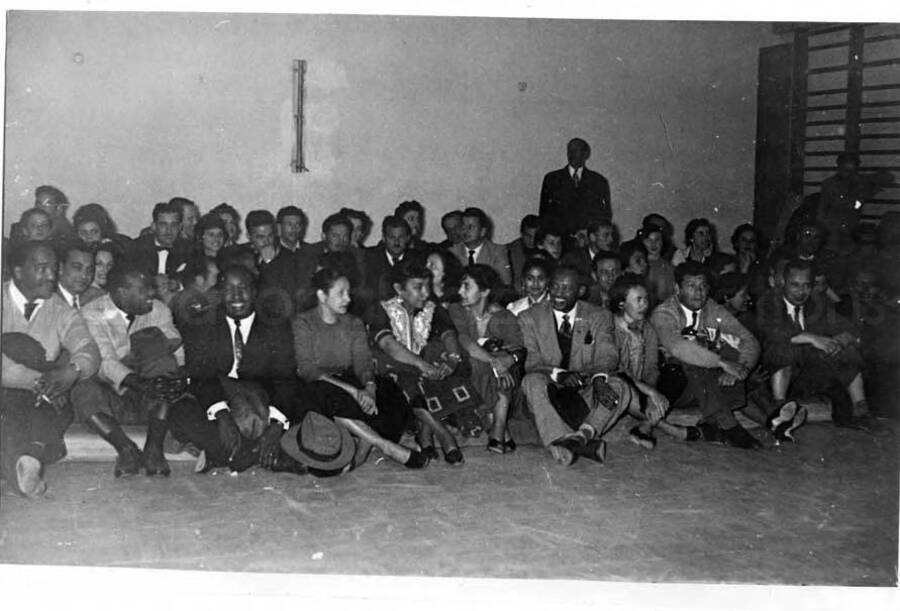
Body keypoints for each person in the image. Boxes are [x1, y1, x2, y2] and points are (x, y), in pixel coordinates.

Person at [168, 265, 306, 474]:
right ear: (220, 293)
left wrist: (276, 427)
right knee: (181, 413)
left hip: (261, 401)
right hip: (218, 393)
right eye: (229, 289)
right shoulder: (203, 324)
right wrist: (222, 416)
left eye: (243, 288)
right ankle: (255, 455)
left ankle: (232, 454)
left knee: (304, 401)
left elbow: (284, 378)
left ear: (254, 292)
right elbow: (201, 375)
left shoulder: (276, 326)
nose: (236, 296)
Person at [293, 268, 428, 469]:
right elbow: (307, 369)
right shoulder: (303, 322)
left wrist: (370, 388)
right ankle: (385, 445)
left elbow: (363, 361)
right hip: (320, 382)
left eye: (348, 292)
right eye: (341, 293)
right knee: (324, 395)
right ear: (322, 295)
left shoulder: (354, 322)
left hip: (349, 378)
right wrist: (355, 391)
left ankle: (366, 442)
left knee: (388, 388)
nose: (347, 298)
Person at [2, 241, 101, 497]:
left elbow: (87, 348)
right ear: (18, 271)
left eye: (54, 269)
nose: (52, 276)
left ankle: (30, 458)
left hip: (35, 394)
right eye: (42, 268)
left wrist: (72, 371)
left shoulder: (60, 309)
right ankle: (26, 462)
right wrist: (39, 380)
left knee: (58, 402)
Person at [80, 264, 194, 477]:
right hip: (111, 398)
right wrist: (141, 382)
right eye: (143, 290)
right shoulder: (92, 313)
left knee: (162, 357)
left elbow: (175, 347)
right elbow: (105, 362)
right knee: (82, 386)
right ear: (122, 293)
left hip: (152, 399)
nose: (152, 293)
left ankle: (154, 448)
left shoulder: (158, 309)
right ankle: (125, 448)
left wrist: (180, 374)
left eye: (151, 287)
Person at [755, 259, 888, 436]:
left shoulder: (816, 302)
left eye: (806, 285)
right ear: (782, 283)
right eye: (794, 285)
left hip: (809, 371)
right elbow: (773, 332)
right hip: (774, 372)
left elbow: (850, 328)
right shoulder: (768, 301)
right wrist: (812, 338)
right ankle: (780, 409)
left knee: (846, 350)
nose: (801, 292)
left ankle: (861, 410)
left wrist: (839, 340)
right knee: (783, 347)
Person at [518, 265, 635, 466]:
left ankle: (581, 436)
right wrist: (558, 374)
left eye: (566, 288)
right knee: (531, 381)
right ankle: (561, 439)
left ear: (580, 291)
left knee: (619, 386)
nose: (558, 294)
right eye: (554, 286)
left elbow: (607, 354)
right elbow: (531, 362)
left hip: (584, 390)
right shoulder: (529, 317)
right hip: (549, 394)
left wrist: (599, 379)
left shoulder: (598, 316)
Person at [650, 261, 767, 449]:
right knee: (692, 356)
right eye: (691, 286)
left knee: (732, 347)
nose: (699, 292)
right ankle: (729, 427)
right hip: (669, 387)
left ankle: (712, 423)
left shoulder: (712, 308)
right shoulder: (664, 313)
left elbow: (749, 339)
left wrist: (740, 367)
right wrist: (722, 363)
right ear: (677, 288)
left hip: (704, 388)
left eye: (703, 286)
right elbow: (679, 347)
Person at [364, 260, 467, 464]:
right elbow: (388, 345)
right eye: (418, 287)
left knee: (439, 368)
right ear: (399, 289)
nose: (425, 293)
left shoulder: (433, 309)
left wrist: (453, 360)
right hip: (390, 370)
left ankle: (425, 437)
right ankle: (444, 434)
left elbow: (449, 336)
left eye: (427, 286)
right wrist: (421, 365)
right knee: (410, 377)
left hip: (421, 371)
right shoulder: (381, 310)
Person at [608, 273, 700, 448]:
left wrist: (651, 392)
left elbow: (651, 367)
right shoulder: (609, 328)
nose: (644, 304)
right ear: (621, 303)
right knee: (620, 382)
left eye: (646, 299)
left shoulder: (647, 328)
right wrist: (650, 392)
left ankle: (646, 425)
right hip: (620, 383)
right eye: (639, 300)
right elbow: (617, 369)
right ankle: (670, 428)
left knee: (675, 373)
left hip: (642, 385)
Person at [449, 265, 525, 453]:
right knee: (480, 361)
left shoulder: (504, 316)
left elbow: (518, 348)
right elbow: (464, 341)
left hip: (498, 380)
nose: (460, 291)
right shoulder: (456, 310)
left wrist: (504, 360)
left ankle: (496, 428)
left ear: (484, 291)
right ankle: (499, 430)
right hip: (466, 375)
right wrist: (494, 362)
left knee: (504, 362)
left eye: (466, 286)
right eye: (460, 286)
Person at [245, 209, 314, 320]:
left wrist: (268, 263)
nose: (266, 242)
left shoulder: (290, 258)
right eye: (260, 237)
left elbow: (284, 296)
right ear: (249, 236)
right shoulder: (242, 256)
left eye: (270, 236)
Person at [539, 138, 612, 236]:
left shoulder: (598, 181)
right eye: (569, 150)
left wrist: (589, 232)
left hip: (588, 239)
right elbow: (544, 213)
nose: (571, 154)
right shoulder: (552, 179)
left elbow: (605, 214)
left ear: (586, 154)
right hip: (560, 239)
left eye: (576, 150)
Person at [125, 201, 194, 279]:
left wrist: (177, 285)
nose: (169, 230)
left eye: (174, 225)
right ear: (154, 226)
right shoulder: (136, 248)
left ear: (180, 227)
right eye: (163, 224)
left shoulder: (190, 249)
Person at [362, 216, 415, 307]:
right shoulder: (368, 259)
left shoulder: (416, 260)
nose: (396, 242)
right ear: (383, 238)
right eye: (391, 237)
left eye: (401, 237)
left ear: (408, 238)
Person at [450, 207, 511, 286]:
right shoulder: (452, 253)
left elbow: (505, 283)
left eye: (470, 227)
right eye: (463, 227)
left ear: (482, 231)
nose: (465, 231)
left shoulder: (497, 251)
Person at [639, 223, 675, 305]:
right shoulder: (639, 266)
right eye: (649, 240)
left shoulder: (669, 267)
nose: (653, 244)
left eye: (657, 240)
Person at [54, 239, 95, 311]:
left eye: (89, 270)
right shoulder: (47, 300)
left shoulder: (95, 298)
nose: (84, 276)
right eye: (77, 268)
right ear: (61, 268)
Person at [506, 214, 541, 291]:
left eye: (536, 236)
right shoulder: (508, 250)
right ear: (521, 234)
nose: (532, 240)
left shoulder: (545, 250)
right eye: (528, 236)